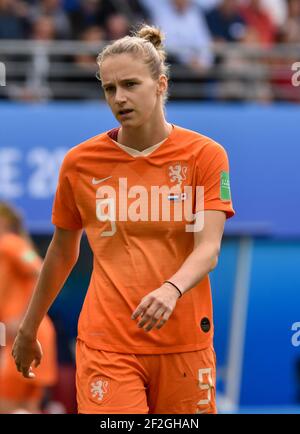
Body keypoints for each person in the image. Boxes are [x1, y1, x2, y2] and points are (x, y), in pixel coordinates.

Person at [12, 24, 235, 414]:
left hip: (184, 343)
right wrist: (29, 329)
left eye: (131, 85)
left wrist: (170, 289)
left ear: (161, 84)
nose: (119, 98)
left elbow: (209, 249)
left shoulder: (205, 155)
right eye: (110, 89)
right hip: (106, 343)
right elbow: (62, 251)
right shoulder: (80, 163)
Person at [0, 202, 58, 413]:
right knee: (27, 407)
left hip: (28, 334)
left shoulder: (9, 243)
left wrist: (24, 318)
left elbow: (41, 271)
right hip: (28, 334)